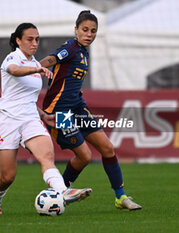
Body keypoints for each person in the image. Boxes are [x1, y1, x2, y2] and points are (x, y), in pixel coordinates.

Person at [40, 11, 141, 210]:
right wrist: (31, 68)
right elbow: (49, 61)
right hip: (60, 112)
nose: (89, 34)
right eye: (85, 30)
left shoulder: (84, 51)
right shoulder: (70, 47)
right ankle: (59, 193)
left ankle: (121, 197)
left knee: (107, 148)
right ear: (76, 30)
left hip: (78, 107)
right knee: (85, 157)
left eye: (93, 31)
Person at [0, 23, 91, 216]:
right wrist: (35, 70)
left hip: (30, 119)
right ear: (18, 41)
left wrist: (44, 116)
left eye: (37, 39)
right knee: (8, 176)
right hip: (6, 119)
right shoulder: (13, 58)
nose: (34, 43)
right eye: (29, 39)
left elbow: (27, 99)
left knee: (46, 157)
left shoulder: (35, 63)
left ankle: (63, 191)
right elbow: (14, 70)